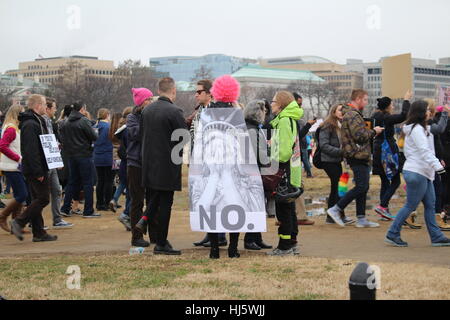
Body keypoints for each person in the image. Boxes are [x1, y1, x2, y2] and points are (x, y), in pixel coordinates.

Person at [385, 100, 450, 247]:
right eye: (427, 110)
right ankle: (392, 233)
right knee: (410, 205)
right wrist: (438, 166)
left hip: (424, 173)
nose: (429, 112)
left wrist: (435, 167)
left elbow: (436, 134)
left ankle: (436, 236)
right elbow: (424, 151)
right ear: (421, 112)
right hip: (416, 172)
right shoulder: (416, 130)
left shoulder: (423, 128)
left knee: (430, 205)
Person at [139, 77, 186, 255]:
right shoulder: (175, 111)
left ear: (159, 91)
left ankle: (149, 225)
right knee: (165, 203)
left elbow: (141, 135)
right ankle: (161, 242)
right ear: (173, 91)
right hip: (168, 163)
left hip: (149, 163)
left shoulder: (147, 110)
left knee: (153, 199)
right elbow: (183, 139)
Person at [327, 89, 384, 228]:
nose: (366, 102)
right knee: (361, 186)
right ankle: (336, 209)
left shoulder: (352, 114)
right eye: (365, 99)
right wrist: (373, 132)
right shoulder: (353, 115)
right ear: (358, 99)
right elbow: (360, 136)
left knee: (363, 186)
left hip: (358, 154)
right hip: (357, 155)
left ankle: (361, 218)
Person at [10, 94, 57, 242]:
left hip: (36, 166)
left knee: (36, 199)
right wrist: (38, 171)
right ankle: (19, 221)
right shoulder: (31, 124)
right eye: (44, 104)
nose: (46, 107)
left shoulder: (35, 121)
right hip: (35, 169)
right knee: (43, 199)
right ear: (37, 106)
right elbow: (31, 150)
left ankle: (39, 233)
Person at [187, 79, 227, 248]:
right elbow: (194, 136)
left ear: (209, 93)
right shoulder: (200, 112)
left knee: (217, 198)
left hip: (216, 162)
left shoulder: (217, 110)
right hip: (201, 161)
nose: (196, 95)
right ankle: (210, 234)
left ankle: (220, 235)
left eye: (199, 92)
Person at [267, 91, 303, 256]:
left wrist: (270, 156)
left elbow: (283, 151)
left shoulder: (284, 121)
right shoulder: (289, 119)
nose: (271, 104)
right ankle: (291, 243)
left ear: (280, 104)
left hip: (283, 171)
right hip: (291, 170)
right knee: (289, 208)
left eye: (273, 101)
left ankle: (284, 246)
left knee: (284, 209)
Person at [372, 91, 412, 220]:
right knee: (396, 180)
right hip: (387, 152)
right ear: (388, 106)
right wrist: (406, 100)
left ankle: (384, 210)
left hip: (378, 150)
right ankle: (383, 206)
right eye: (392, 104)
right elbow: (404, 115)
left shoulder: (375, 116)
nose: (393, 106)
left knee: (385, 181)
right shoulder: (386, 118)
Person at [60, 102, 99, 218]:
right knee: (88, 183)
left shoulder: (65, 122)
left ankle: (65, 208)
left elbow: (63, 139)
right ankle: (88, 210)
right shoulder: (84, 120)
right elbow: (94, 136)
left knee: (72, 182)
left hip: (71, 156)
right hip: (84, 155)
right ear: (82, 109)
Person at [243, 100, 273, 251]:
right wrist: (268, 156)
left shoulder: (252, 128)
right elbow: (256, 154)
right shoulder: (252, 129)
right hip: (253, 173)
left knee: (257, 206)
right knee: (254, 206)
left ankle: (256, 237)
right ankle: (250, 239)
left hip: (253, 172)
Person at [127, 88, 154, 247]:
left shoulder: (150, 116)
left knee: (152, 200)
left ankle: (153, 234)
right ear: (142, 102)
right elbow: (135, 134)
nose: (151, 102)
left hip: (149, 163)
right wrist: (146, 119)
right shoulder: (132, 117)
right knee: (137, 202)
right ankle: (136, 237)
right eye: (148, 99)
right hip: (135, 164)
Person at [319, 104, 354, 225]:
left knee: (338, 188)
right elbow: (324, 145)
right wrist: (341, 151)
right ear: (333, 112)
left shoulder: (341, 125)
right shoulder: (328, 125)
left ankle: (336, 214)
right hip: (328, 160)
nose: (342, 112)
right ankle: (334, 215)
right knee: (338, 187)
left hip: (336, 160)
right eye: (340, 110)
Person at [43, 98, 73, 228]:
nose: (55, 109)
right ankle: (34, 222)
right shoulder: (40, 122)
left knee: (56, 190)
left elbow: (51, 142)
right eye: (54, 107)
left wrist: (56, 159)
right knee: (41, 195)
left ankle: (57, 219)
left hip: (52, 162)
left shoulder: (50, 123)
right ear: (47, 108)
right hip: (43, 163)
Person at [0, 105, 29, 233]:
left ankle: (16, 225)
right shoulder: (11, 129)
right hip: (11, 166)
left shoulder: (13, 128)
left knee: (20, 194)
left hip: (14, 166)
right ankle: (2, 216)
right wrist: (17, 158)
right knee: (22, 194)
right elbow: (2, 145)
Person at [114, 107, 133, 231]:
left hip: (124, 164)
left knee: (129, 192)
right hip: (130, 164)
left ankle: (128, 217)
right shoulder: (129, 130)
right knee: (134, 193)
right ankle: (126, 214)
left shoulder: (123, 130)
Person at [93, 108, 114, 212]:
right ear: (107, 115)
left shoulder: (95, 126)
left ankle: (99, 203)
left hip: (97, 155)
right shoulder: (109, 126)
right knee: (109, 180)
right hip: (108, 155)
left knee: (100, 180)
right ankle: (106, 202)